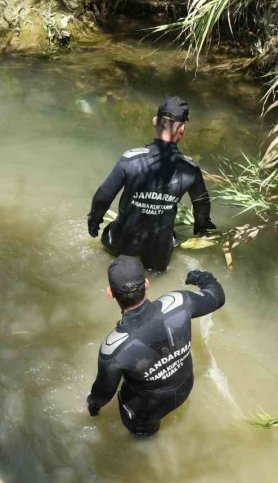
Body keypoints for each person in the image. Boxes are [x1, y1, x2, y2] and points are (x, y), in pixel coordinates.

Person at [87, 255, 225, 435]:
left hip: (148, 409)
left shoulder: (112, 348)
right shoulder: (180, 302)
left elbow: (103, 394)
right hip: (185, 387)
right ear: (146, 283)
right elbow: (217, 297)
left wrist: (92, 407)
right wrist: (202, 277)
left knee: (140, 429)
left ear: (110, 293)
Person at [86, 96, 217, 272]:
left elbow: (104, 196)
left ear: (155, 121)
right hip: (158, 255)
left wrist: (94, 221)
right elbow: (201, 205)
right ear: (182, 129)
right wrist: (202, 227)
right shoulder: (190, 169)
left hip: (118, 244)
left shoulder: (130, 159)